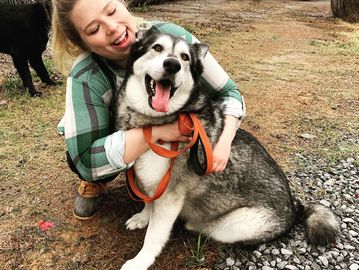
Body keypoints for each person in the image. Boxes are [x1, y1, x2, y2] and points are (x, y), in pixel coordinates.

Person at [52, 0, 245, 220]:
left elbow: (228, 92)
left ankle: (176, 174)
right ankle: (97, 183)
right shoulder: (86, 75)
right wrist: (155, 134)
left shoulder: (173, 38)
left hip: (177, 128)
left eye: (112, 11)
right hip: (119, 131)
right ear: (83, 43)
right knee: (83, 148)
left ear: (123, 4)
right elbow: (86, 160)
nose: (113, 28)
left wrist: (224, 142)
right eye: (94, 29)